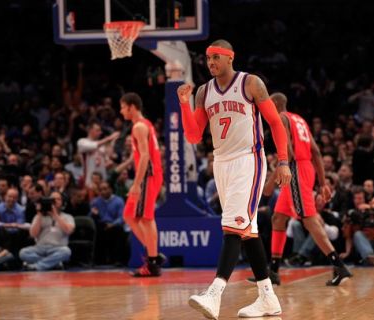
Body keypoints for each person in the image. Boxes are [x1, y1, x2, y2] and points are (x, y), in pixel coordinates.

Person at [177, 39, 291, 319]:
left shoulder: (251, 83)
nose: (211, 62)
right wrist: (183, 103)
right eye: (208, 58)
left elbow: (275, 123)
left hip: (248, 160)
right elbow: (193, 136)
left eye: (216, 57)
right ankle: (268, 299)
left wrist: (284, 161)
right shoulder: (204, 92)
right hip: (222, 163)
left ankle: (214, 293)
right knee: (247, 231)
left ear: (230, 58)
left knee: (231, 227)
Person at [261, 92, 352, 286]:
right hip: (306, 168)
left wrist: (270, 182)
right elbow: (317, 152)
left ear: (275, 103)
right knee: (278, 217)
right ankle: (274, 270)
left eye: (268, 102)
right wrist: (322, 182)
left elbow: (289, 155)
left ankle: (339, 265)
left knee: (309, 219)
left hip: (295, 169)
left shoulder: (281, 119)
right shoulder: (299, 120)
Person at [119, 92, 164, 277]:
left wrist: (137, 184)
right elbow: (142, 154)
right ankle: (154, 253)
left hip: (148, 175)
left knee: (146, 218)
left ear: (131, 107)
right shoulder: (143, 124)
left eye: (122, 107)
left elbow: (145, 155)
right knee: (129, 215)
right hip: (149, 174)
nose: (121, 111)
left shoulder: (139, 126)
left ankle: (152, 262)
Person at [19, 192, 75, 271]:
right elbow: (33, 234)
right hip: (40, 248)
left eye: (58, 199)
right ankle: (54, 263)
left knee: (66, 251)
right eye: (52, 199)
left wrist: (55, 215)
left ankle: (37, 266)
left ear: (62, 202)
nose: (55, 201)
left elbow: (69, 231)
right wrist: (39, 214)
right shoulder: (39, 216)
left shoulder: (68, 217)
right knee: (23, 253)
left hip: (58, 248)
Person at [77, 122, 119, 187]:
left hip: (102, 180)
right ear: (90, 130)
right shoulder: (82, 142)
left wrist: (112, 142)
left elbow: (110, 156)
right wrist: (109, 138)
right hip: (89, 181)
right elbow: (95, 145)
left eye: (100, 130)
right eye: (97, 130)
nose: (100, 132)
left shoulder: (102, 146)